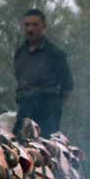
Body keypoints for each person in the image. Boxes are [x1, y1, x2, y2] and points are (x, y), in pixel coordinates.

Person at [13, 8, 73, 136]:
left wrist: (55, 105)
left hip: (48, 109)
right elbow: (19, 78)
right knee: (21, 148)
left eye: (35, 24)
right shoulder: (20, 53)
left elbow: (67, 85)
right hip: (25, 108)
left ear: (43, 26)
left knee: (47, 147)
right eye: (27, 25)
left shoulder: (55, 53)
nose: (30, 29)